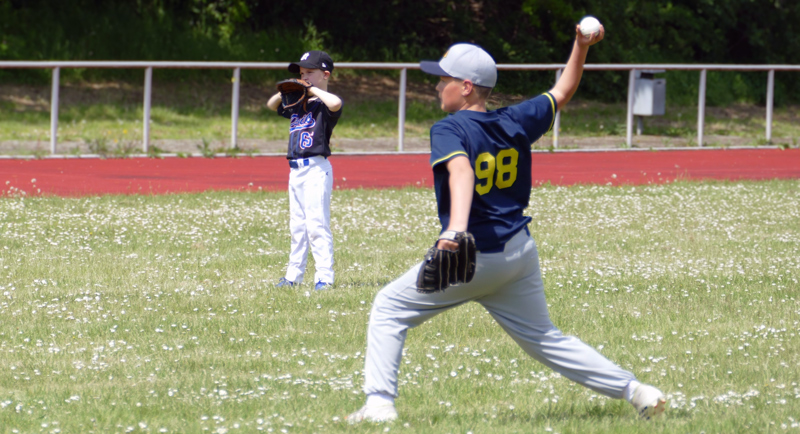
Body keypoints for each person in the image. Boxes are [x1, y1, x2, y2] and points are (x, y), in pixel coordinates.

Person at [347, 24, 667, 423]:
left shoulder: (449, 128)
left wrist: (455, 229)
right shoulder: (514, 120)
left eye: (443, 78)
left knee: (389, 307)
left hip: (475, 256)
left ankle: (378, 405)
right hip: (518, 253)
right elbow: (562, 91)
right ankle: (637, 391)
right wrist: (580, 46)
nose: (436, 85)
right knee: (546, 338)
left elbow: (461, 173)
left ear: (466, 87)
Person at [267, 50, 343, 291]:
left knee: (317, 226)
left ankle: (324, 277)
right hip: (295, 170)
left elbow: (336, 103)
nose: (304, 77)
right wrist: (287, 90)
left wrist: (312, 89)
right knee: (297, 226)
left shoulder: (324, 103)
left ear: (325, 74)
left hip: (316, 170)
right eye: (301, 73)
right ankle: (293, 276)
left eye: (310, 72)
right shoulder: (297, 102)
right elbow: (271, 105)